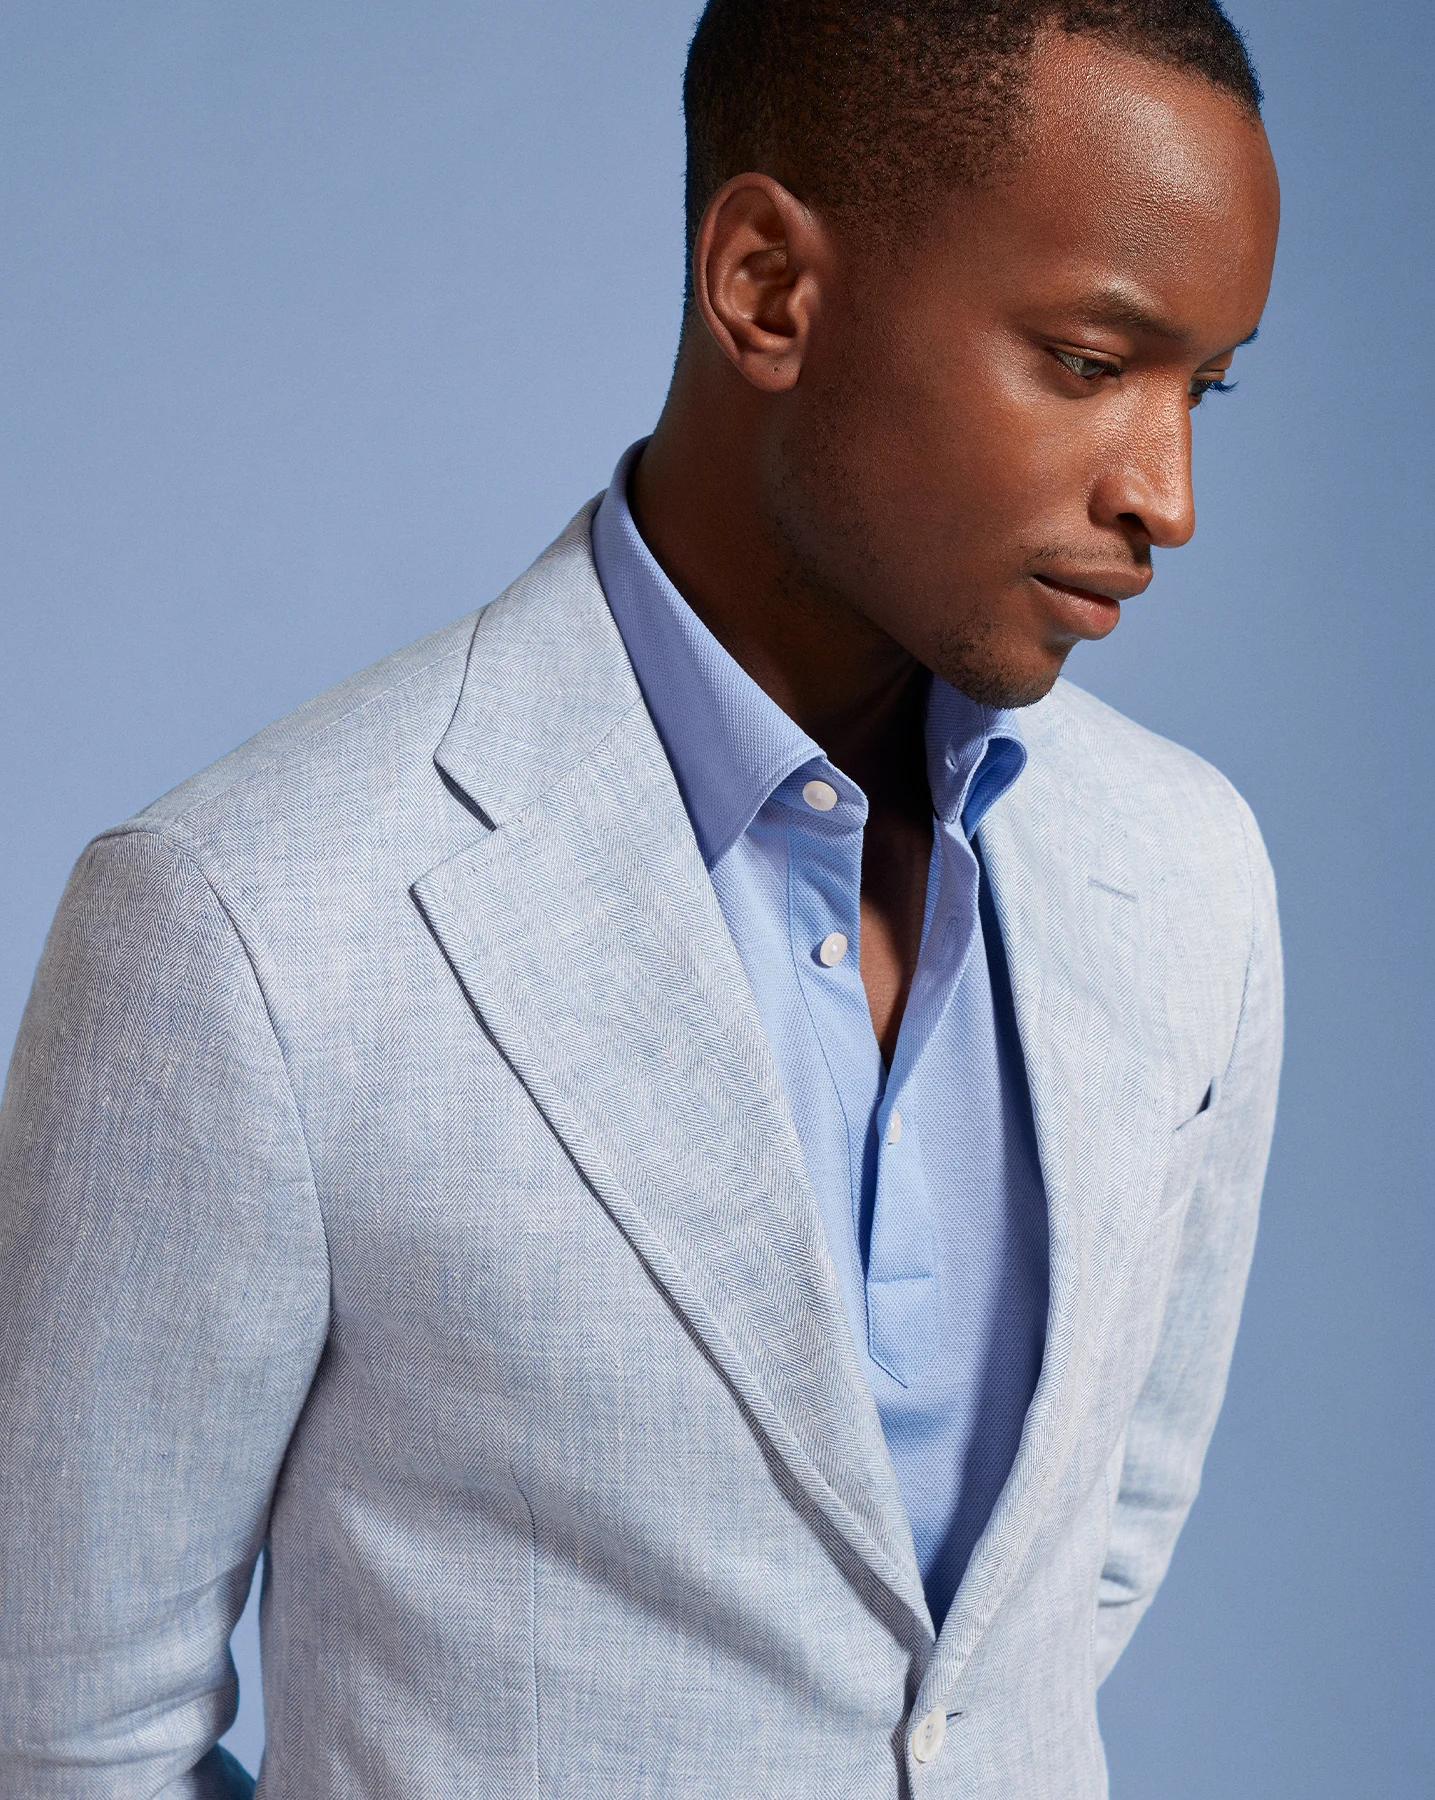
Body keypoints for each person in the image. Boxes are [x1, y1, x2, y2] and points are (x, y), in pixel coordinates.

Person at [0, 3, 1283, 1795]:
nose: (1169, 496)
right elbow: (70, 1734)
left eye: (1203, 389)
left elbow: (1056, 1605)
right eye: (1088, 362)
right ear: (766, 286)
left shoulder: (1191, 874)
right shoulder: (245, 928)